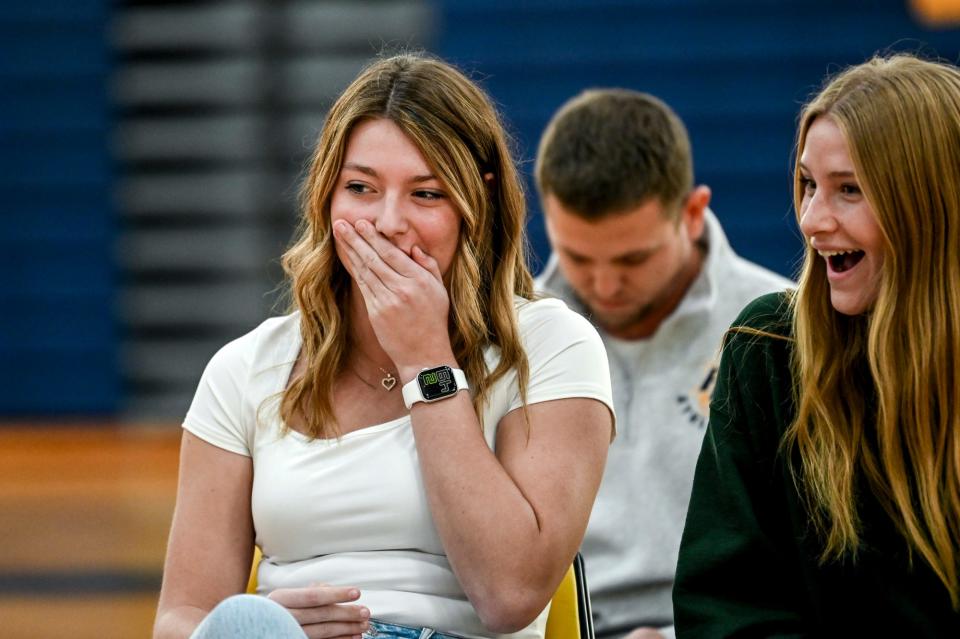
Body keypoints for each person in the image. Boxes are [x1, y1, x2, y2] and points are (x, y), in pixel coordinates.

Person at [153, 53, 616, 639]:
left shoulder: (552, 345)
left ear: (480, 204)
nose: (388, 222)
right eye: (361, 188)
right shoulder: (244, 369)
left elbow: (510, 594)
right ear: (327, 197)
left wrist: (426, 360)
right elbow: (179, 615)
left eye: (426, 194)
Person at [673, 54, 960, 636]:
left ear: (931, 202)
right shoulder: (769, 347)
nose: (811, 219)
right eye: (808, 185)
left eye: (848, 190)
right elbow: (724, 609)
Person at [534, 90, 791, 639]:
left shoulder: (787, 333)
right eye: (577, 257)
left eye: (633, 258)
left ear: (694, 213)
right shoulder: (512, 338)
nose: (604, 286)